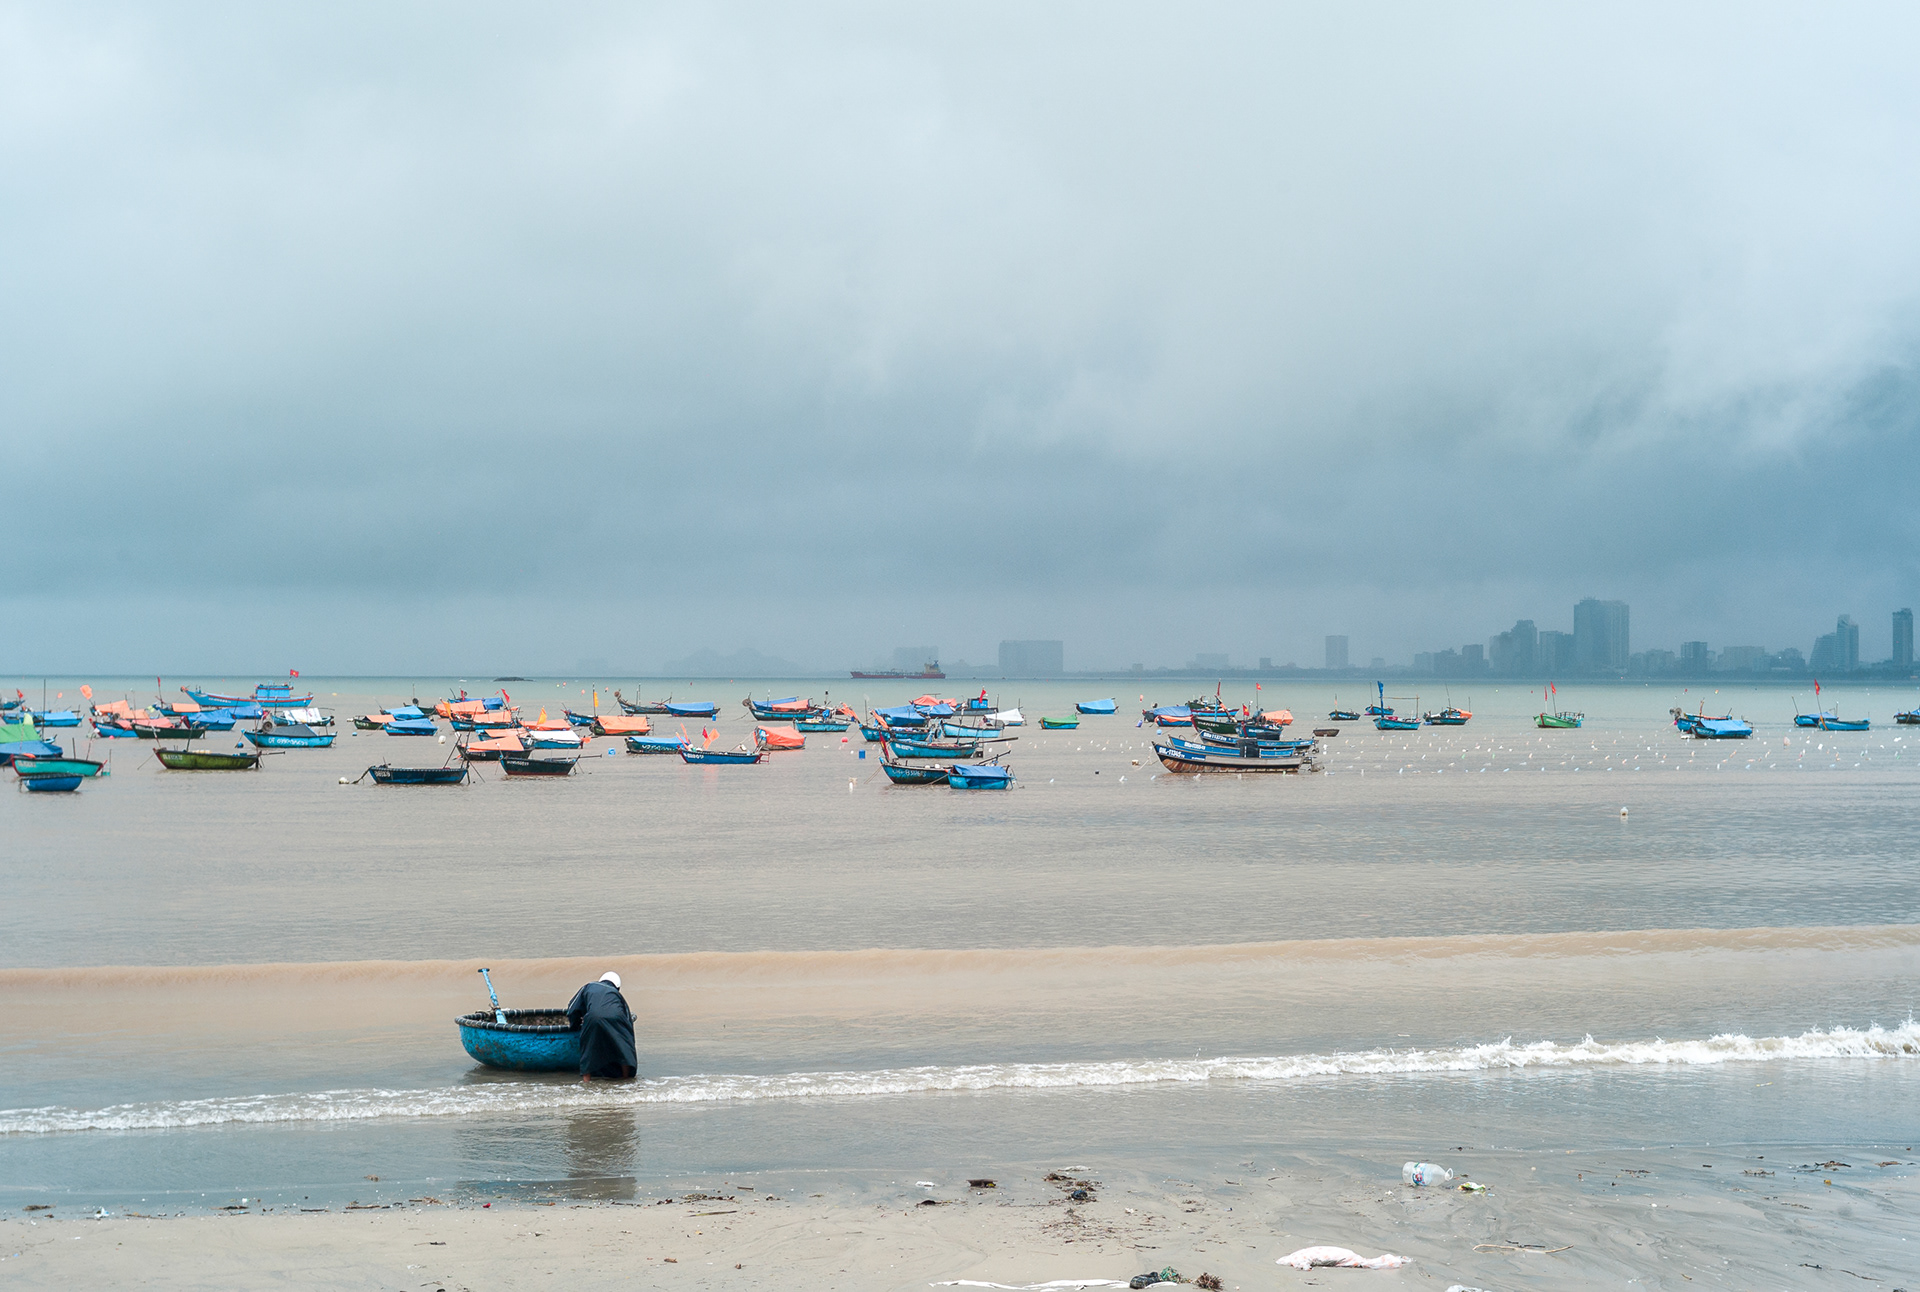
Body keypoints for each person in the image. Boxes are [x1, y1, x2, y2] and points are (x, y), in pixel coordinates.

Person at [565, 971, 637, 1082]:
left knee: (588, 1050)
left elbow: (572, 1008)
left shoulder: (588, 986)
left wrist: (574, 1026)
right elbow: (628, 1021)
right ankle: (626, 1078)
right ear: (617, 987)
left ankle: (586, 1081)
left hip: (593, 1018)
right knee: (623, 1048)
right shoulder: (617, 994)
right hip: (617, 1018)